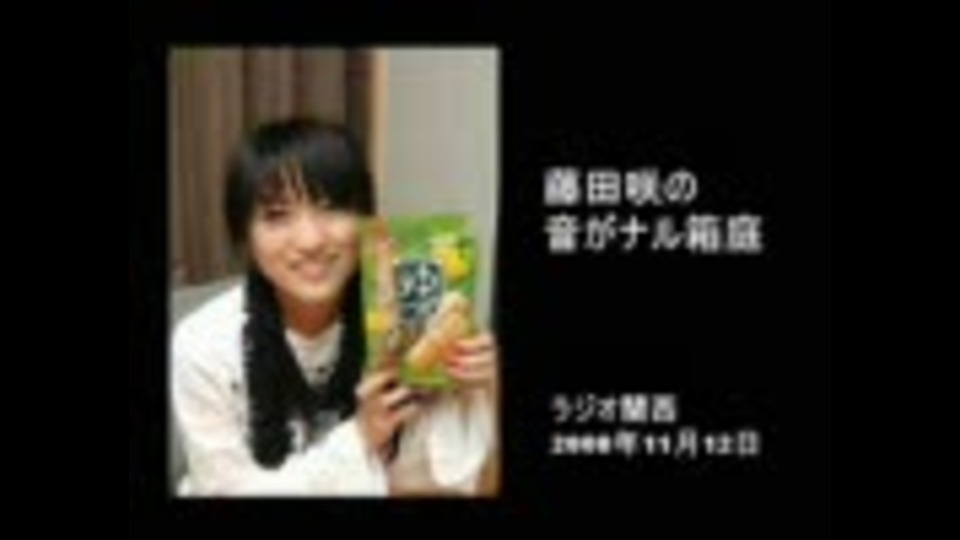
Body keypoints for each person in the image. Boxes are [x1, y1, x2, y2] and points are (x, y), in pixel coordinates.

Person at [171, 118, 497, 496]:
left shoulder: (401, 322)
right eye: (277, 215)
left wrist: (487, 386)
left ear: (366, 220)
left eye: (331, 208)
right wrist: (360, 438)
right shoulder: (203, 343)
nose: (310, 240)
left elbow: (462, 481)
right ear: (244, 235)